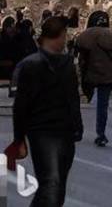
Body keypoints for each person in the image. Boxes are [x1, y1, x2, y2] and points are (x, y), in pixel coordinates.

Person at [8, 15, 82, 205]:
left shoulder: (67, 64)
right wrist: (19, 139)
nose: (65, 39)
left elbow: (73, 98)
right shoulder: (31, 65)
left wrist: (77, 125)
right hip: (42, 132)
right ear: (57, 35)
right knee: (51, 183)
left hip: (65, 131)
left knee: (57, 186)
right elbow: (21, 106)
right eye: (64, 35)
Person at [75, 10, 112, 147]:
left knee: (78, 103)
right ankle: (101, 134)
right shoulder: (111, 35)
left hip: (89, 75)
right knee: (102, 106)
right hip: (108, 76)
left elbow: (78, 53)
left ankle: (77, 129)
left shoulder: (83, 36)